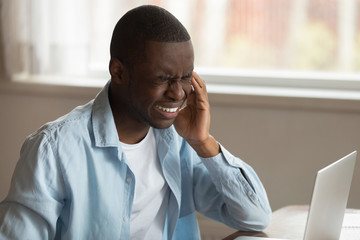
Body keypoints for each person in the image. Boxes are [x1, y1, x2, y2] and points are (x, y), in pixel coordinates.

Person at [0, 5, 271, 239]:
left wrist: (203, 142)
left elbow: (255, 217)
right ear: (118, 71)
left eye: (186, 77)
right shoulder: (54, 149)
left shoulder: (180, 141)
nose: (178, 93)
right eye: (162, 78)